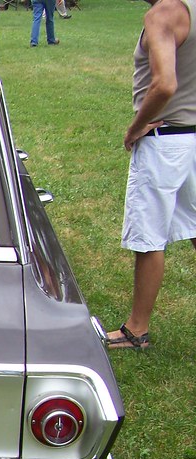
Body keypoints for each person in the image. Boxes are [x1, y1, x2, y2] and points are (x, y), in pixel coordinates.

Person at [108, 0, 196, 350]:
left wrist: (136, 127)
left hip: (165, 142)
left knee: (149, 237)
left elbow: (164, 84)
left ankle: (136, 329)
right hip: (192, 136)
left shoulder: (162, 14)